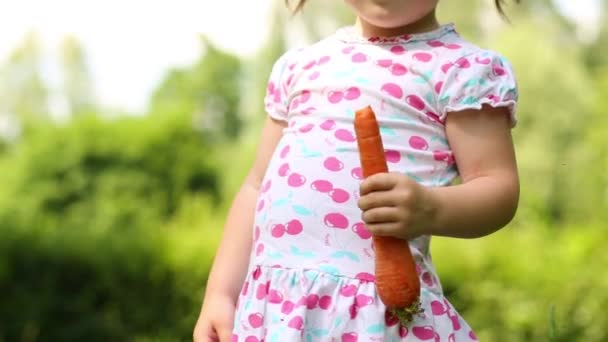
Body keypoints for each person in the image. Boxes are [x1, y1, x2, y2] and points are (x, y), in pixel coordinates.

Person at [194, 0, 520, 340]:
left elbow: (497, 187)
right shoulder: (300, 66)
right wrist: (220, 294)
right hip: (277, 312)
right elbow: (255, 188)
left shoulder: (462, 70)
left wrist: (432, 208)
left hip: (374, 318)